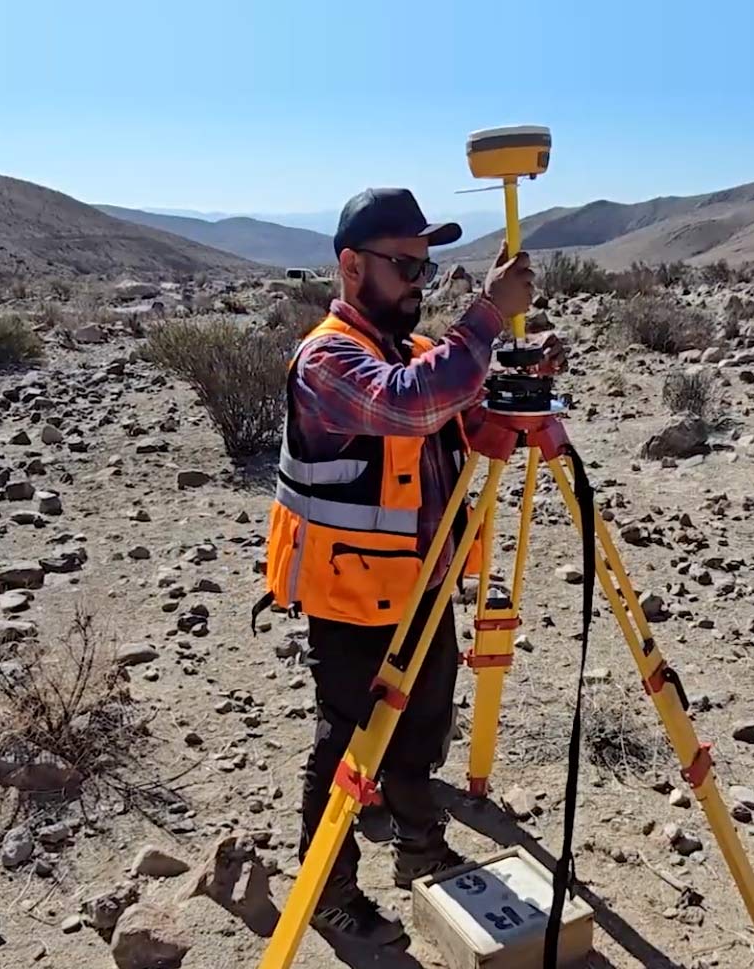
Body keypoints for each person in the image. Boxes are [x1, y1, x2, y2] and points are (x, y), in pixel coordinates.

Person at [261, 187, 557, 944]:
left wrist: (520, 381)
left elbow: (465, 418)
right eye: (405, 266)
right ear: (352, 266)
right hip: (352, 599)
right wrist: (485, 315)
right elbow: (410, 406)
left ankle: (420, 848)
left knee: (423, 728)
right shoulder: (328, 358)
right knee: (348, 745)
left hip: (423, 585)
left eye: (426, 268)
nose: (419, 282)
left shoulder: (415, 352)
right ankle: (328, 889)